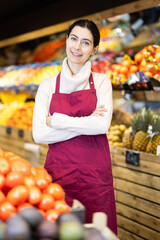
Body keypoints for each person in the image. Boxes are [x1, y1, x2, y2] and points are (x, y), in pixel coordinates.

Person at [32, 19, 117, 234]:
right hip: (58, 175)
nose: (77, 47)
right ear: (67, 41)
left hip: (95, 178)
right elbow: (40, 134)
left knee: (99, 233)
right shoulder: (48, 86)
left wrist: (58, 120)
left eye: (86, 42)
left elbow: (101, 126)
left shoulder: (101, 82)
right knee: (60, 232)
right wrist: (87, 122)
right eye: (74, 39)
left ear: (94, 49)